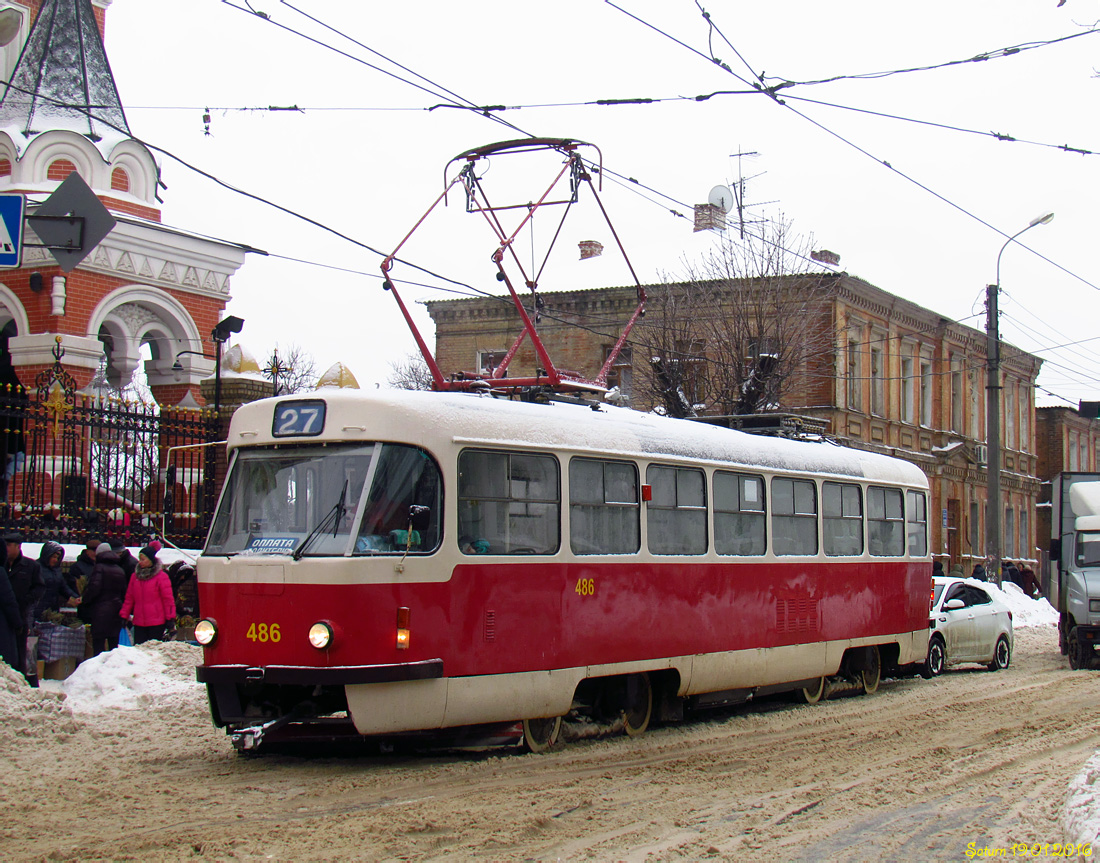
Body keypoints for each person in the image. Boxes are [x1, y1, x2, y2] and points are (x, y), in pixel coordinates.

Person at [5, 531, 42, 684]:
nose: (5, 548)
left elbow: (39, 588)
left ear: (18, 547)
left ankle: (21, 682)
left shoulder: (30, 566)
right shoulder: (2, 566)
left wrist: (26, 600)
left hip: (21, 614)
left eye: (8, 545)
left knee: (21, 651)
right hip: (3, 614)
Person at [120, 545, 175, 644]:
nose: (140, 562)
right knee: (140, 649)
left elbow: (168, 600)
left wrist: (170, 618)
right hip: (139, 622)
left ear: (150, 560)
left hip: (156, 622)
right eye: (139, 559)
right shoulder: (135, 577)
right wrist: (124, 615)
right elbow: (129, 598)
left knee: (154, 648)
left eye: (143, 559)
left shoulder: (161, 577)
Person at [83, 542, 127, 655]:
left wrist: (84, 600)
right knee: (113, 646)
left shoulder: (99, 568)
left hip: (100, 612)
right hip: (116, 611)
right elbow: (124, 592)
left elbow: (94, 588)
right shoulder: (120, 570)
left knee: (98, 647)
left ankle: (99, 666)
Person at [32, 540, 78, 620]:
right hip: (38, 609)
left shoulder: (57, 570)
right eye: (53, 557)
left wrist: (75, 597)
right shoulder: (36, 567)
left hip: (53, 609)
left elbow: (63, 587)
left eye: (57, 558)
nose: (55, 560)